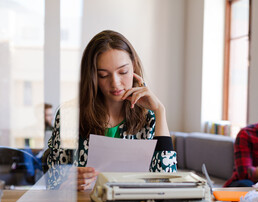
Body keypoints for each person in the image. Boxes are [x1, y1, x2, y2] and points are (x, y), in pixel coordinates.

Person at [46, 30, 177, 190]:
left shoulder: (148, 117)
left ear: (134, 66)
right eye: (103, 75)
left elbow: (166, 181)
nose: (115, 83)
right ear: (93, 76)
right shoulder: (70, 115)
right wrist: (68, 180)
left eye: (123, 72)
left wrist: (160, 111)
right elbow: (52, 181)